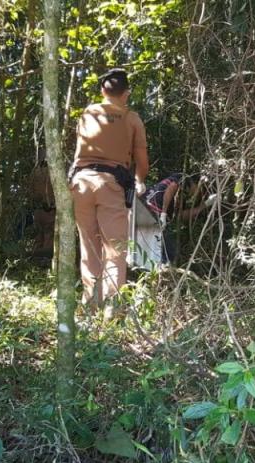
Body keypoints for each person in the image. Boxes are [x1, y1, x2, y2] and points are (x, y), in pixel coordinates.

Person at [69, 68, 148, 313]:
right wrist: (140, 181)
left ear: (103, 90)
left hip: (81, 183)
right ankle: (112, 309)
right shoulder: (131, 118)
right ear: (126, 93)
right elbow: (142, 160)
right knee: (115, 249)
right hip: (110, 184)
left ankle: (90, 304)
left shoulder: (87, 113)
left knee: (89, 246)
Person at [27, 156, 55, 256]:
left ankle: (40, 256)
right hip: (45, 209)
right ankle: (42, 257)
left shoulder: (35, 171)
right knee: (46, 233)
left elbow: (30, 191)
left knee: (42, 234)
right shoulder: (41, 172)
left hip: (43, 208)